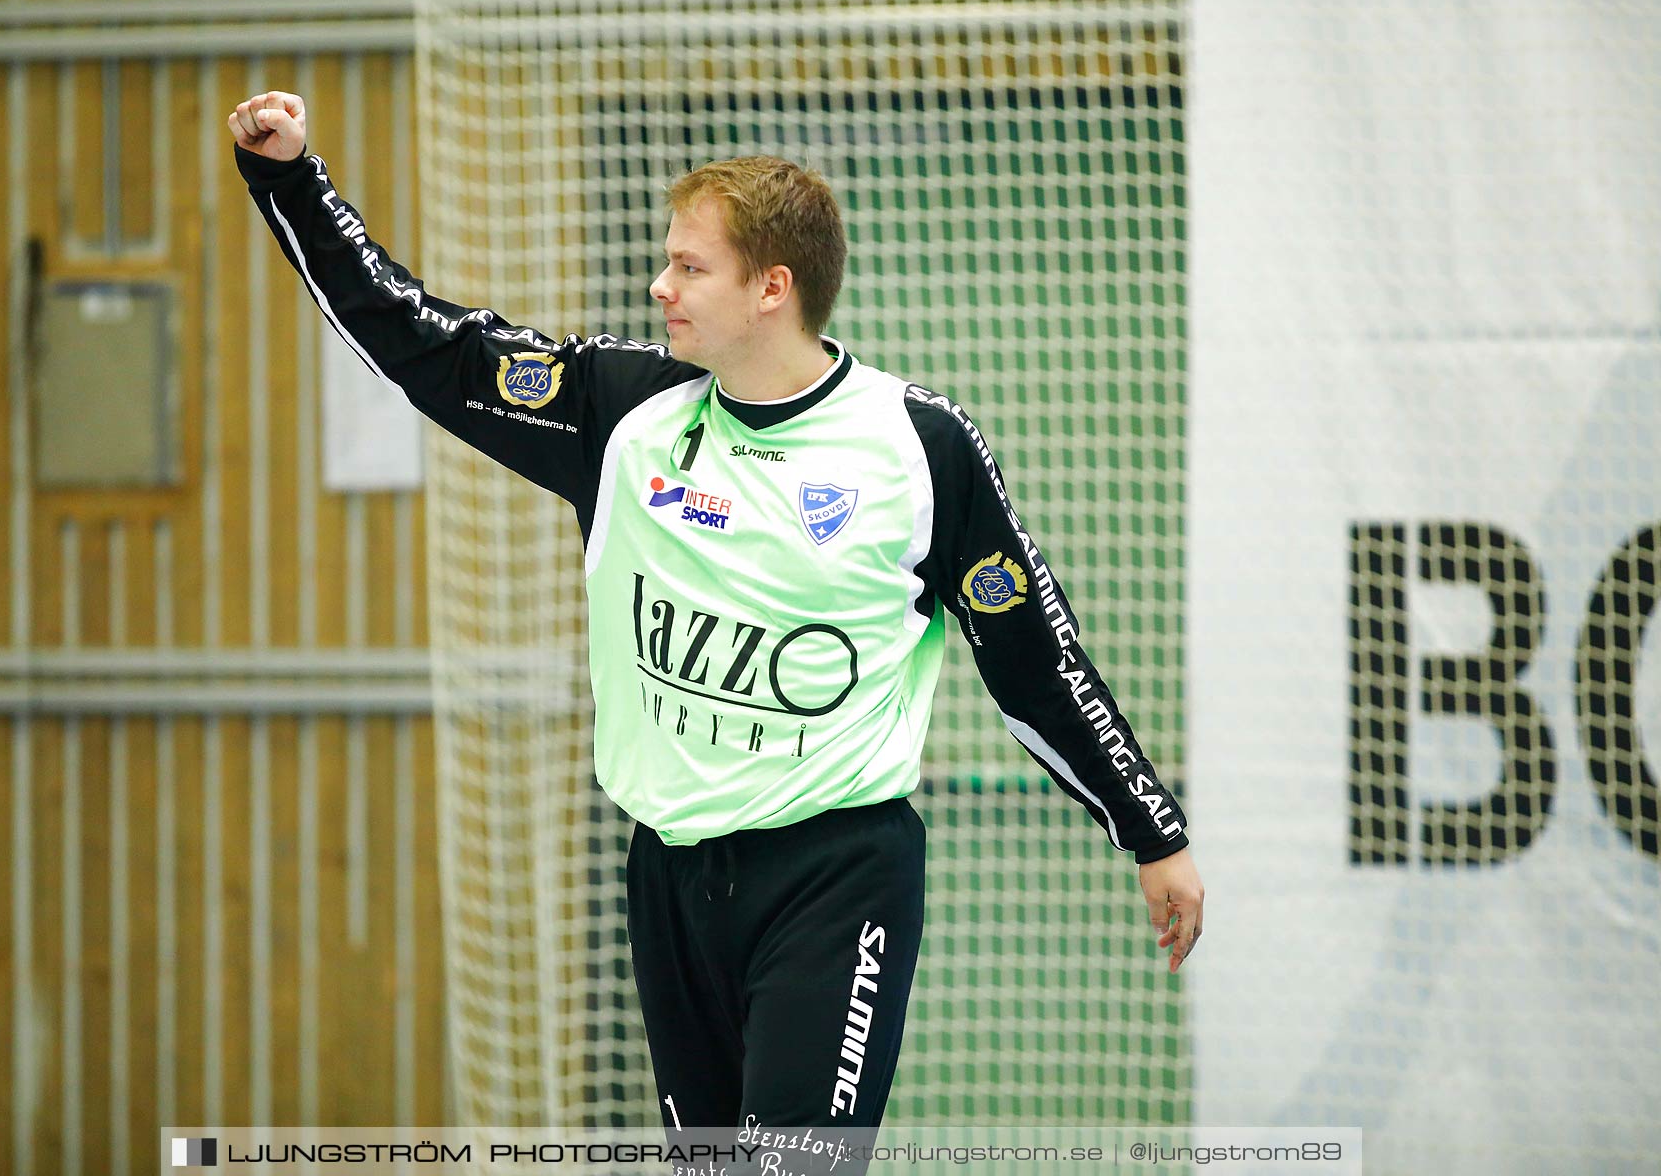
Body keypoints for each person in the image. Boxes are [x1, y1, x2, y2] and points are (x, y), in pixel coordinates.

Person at [229, 89, 1204, 1141]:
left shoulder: (919, 447)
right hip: (671, 872)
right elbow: (426, 347)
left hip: (838, 874)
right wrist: (291, 179)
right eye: (667, 260)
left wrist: (1149, 827)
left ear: (771, 289)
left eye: (691, 268)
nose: (661, 286)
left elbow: (1033, 657)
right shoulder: (620, 412)